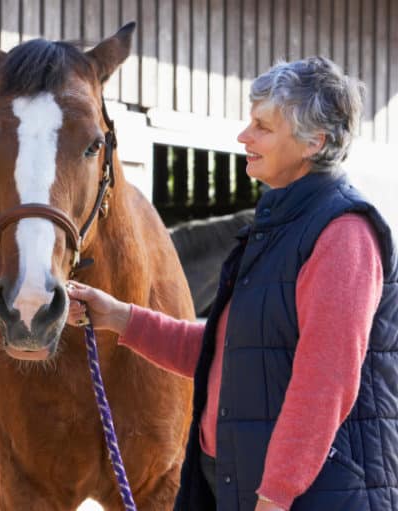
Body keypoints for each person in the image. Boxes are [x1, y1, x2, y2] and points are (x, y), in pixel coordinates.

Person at [68, 57, 397, 511]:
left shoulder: (343, 235)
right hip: (244, 486)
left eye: (263, 127)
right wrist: (119, 317)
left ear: (312, 142)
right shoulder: (277, 226)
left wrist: (276, 495)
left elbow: (325, 383)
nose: (244, 137)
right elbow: (231, 353)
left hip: (302, 498)